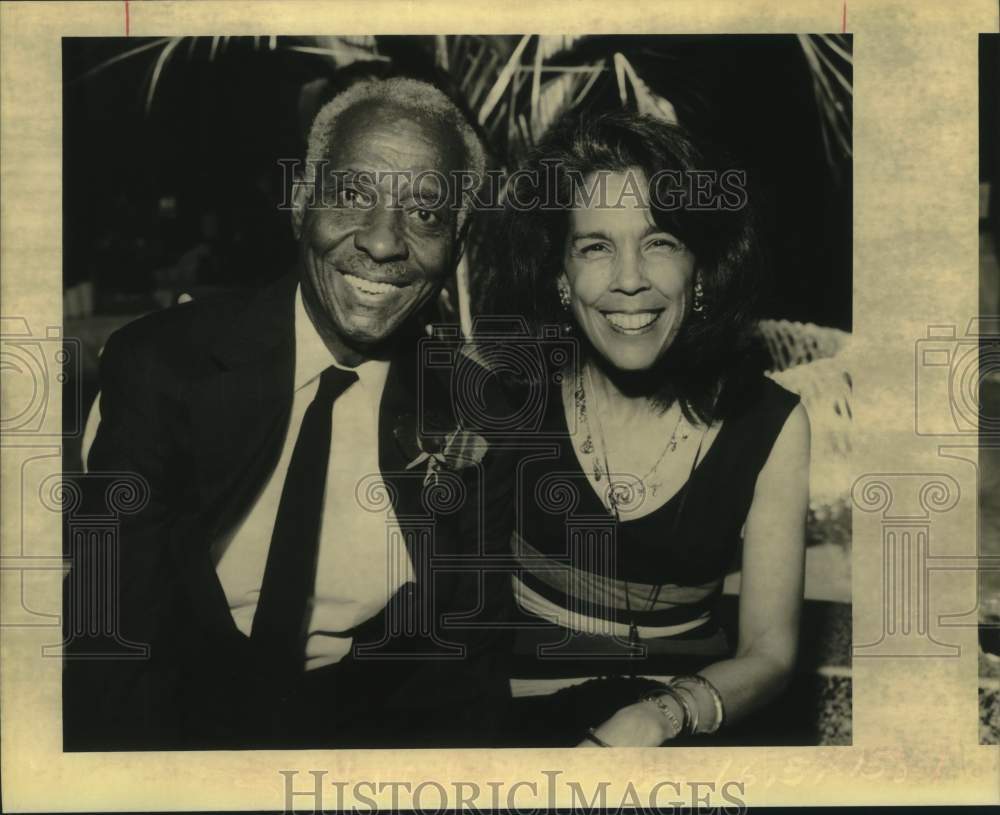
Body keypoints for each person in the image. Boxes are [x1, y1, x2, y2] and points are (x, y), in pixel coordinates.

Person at [63, 77, 517, 750]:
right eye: (354, 195)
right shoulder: (165, 367)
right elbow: (114, 642)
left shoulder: (474, 411)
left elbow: (462, 676)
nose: (385, 243)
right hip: (178, 736)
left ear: (456, 240)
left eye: (426, 214)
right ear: (302, 203)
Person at [479, 110, 811, 747]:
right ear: (559, 276)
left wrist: (659, 717)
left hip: (679, 728)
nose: (629, 280)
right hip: (510, 727)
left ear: (702, 268)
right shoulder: (505, 397)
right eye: (595, 247)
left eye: (659, 242)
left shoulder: (770, 424)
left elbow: (769, 653)